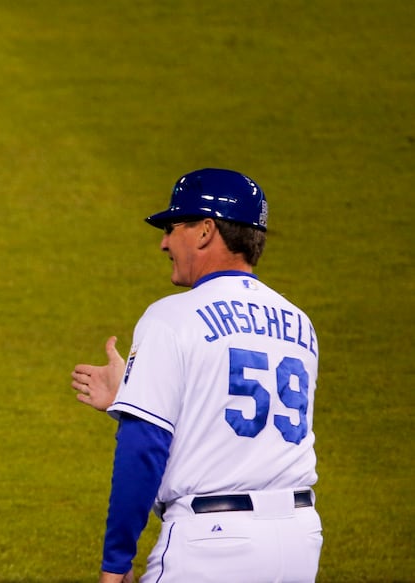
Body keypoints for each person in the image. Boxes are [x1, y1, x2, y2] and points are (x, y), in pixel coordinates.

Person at [70, 168, 322, 582]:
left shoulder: (172, 316)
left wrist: (116, 565)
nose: (164, 242)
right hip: (299, 539)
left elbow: (144, 446)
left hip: (213, 545)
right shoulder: (299, 324)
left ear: (206, 230)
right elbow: (231, 424)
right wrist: (129, 395)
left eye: (173, 227)